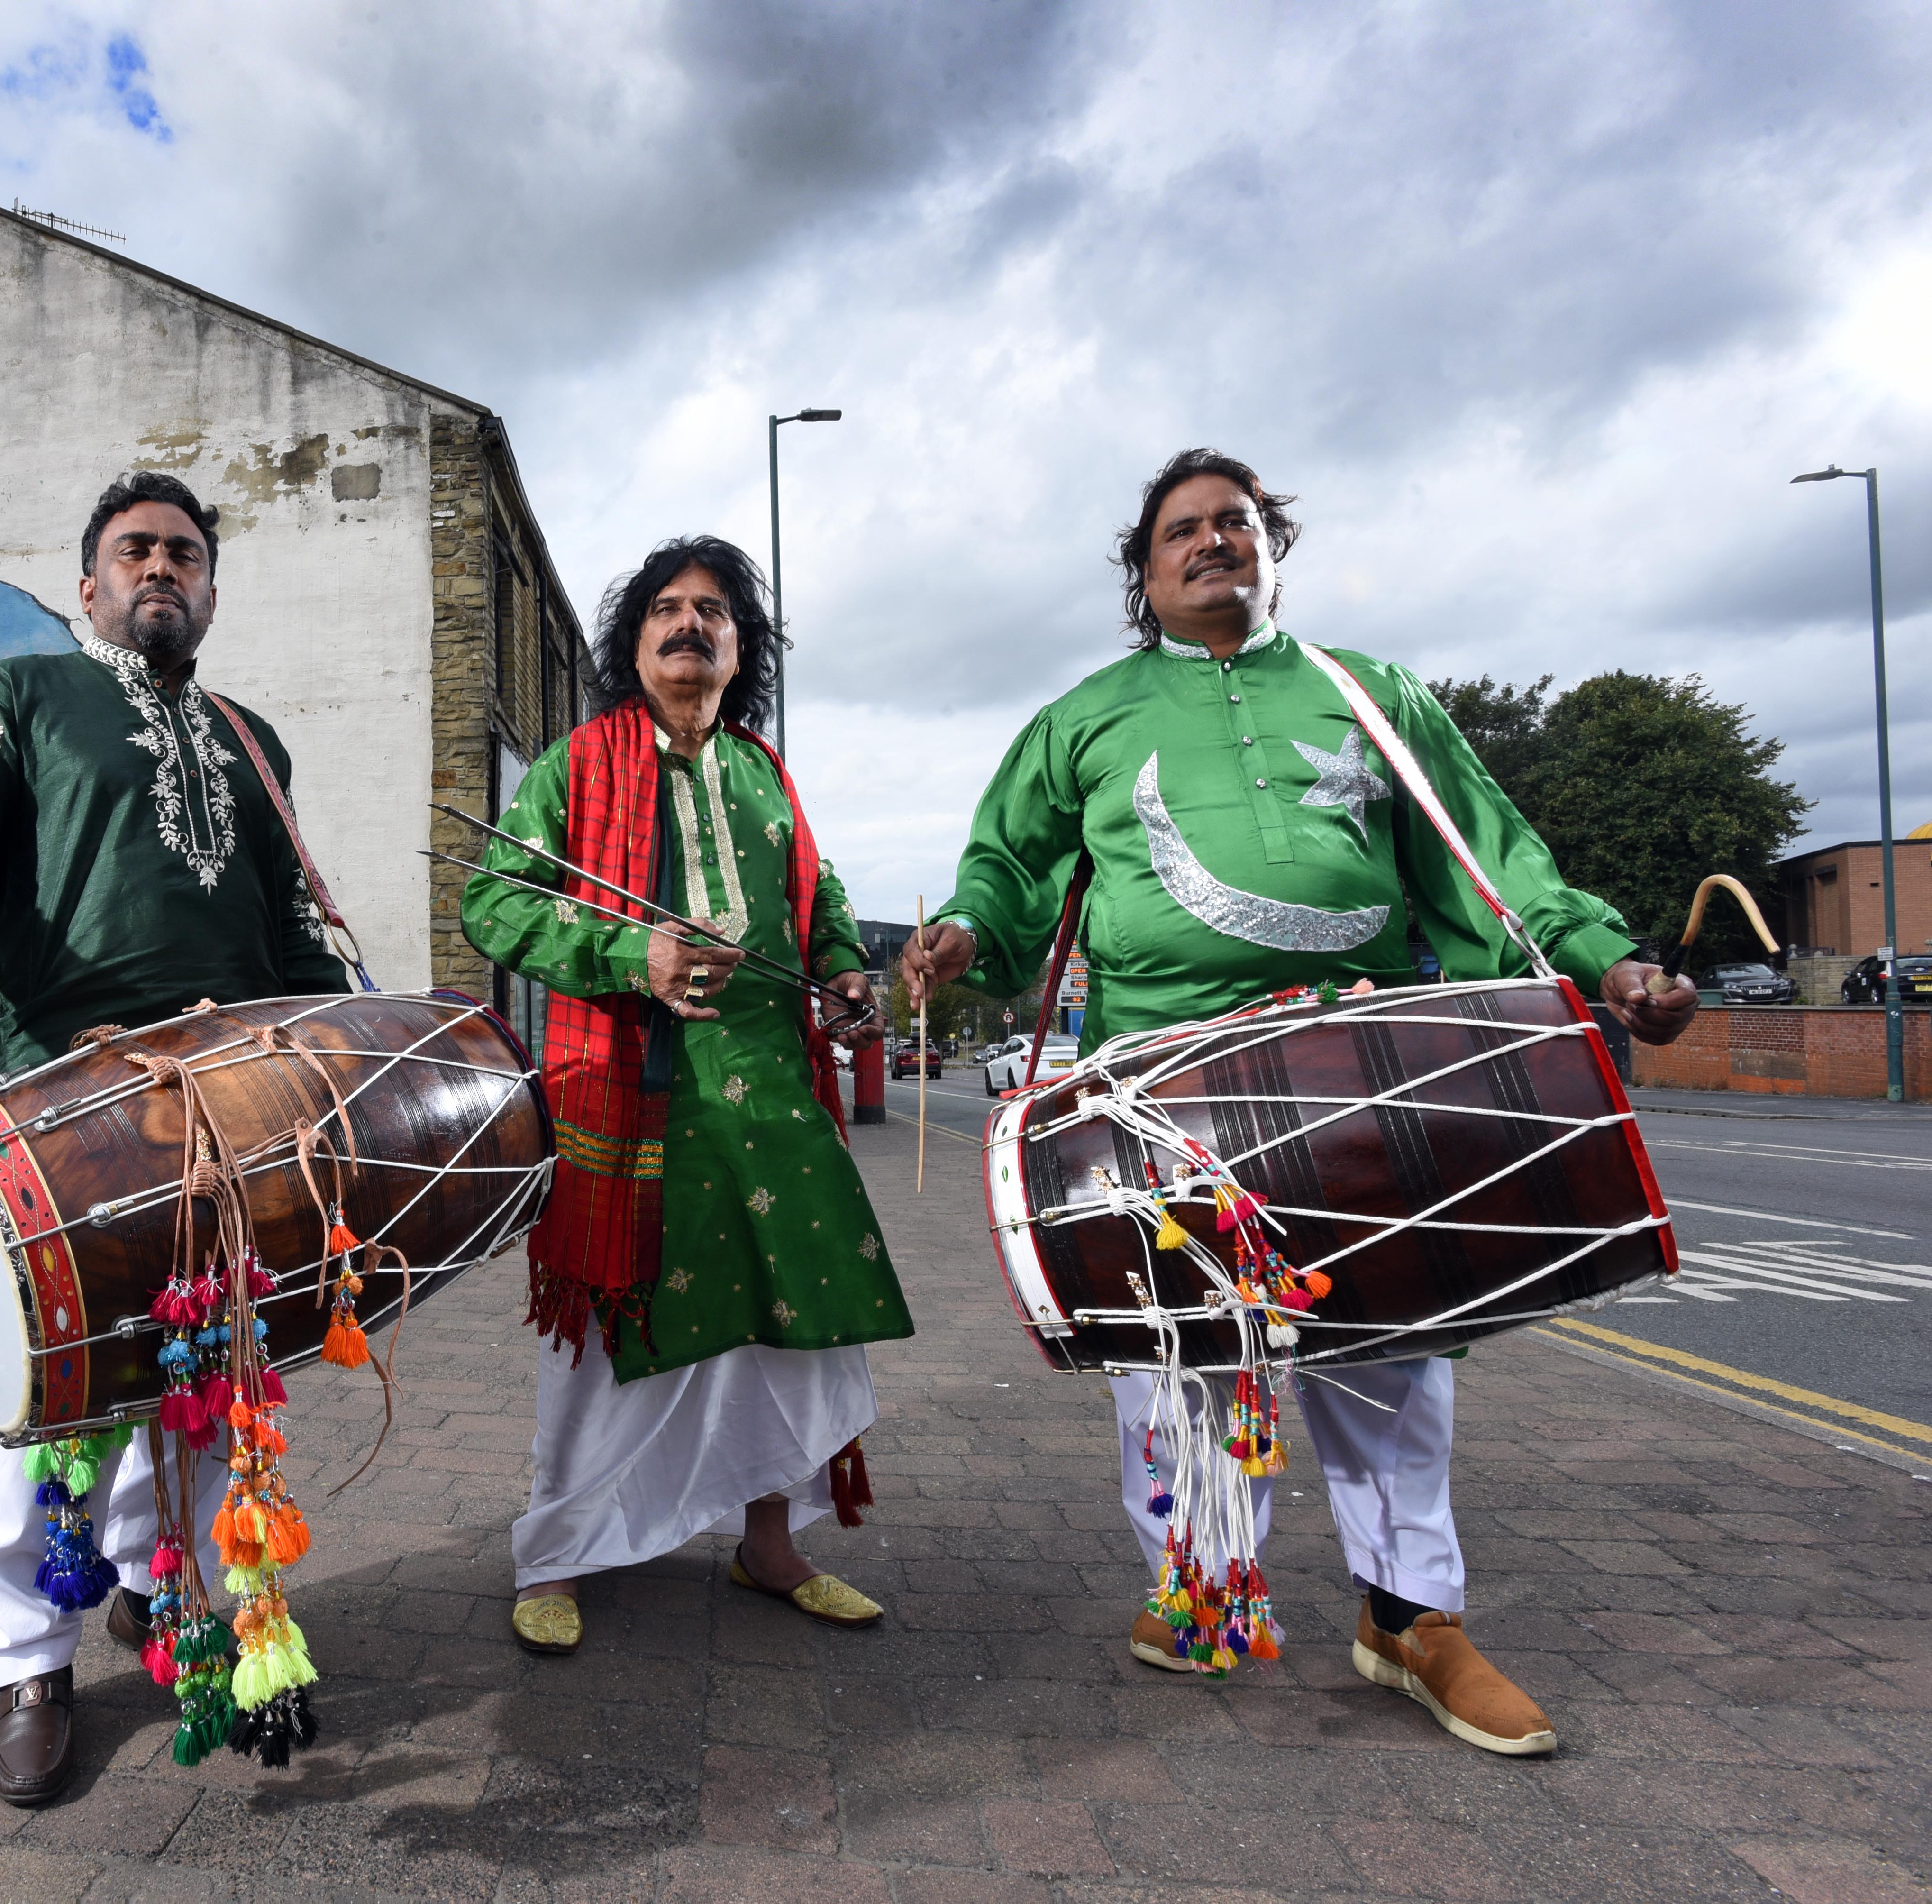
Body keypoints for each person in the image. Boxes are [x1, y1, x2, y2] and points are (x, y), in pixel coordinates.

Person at [900, 449, 1697, 1756]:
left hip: (1357, 1065)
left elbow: (1489, 856)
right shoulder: (1083, 718)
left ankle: (1410, 1617)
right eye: (1181, 531)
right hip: (1164, 1088)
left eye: (1236, 522)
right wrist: (962, 935)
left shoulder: (1371, 692)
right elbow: (1005, 868)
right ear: (1143, 571)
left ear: (1272, 545)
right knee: (1188, 1366)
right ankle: (1205, 1587)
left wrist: (1607, 961)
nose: (1211, 542)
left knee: (1389, 1352)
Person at [0, 471, 347, 1806]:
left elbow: (294, 928)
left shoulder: (254, 741)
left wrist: (337, 1057)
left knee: (206, 1368)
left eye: (184, 553)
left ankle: (169, 1593)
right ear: (89, 585)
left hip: (233, 1101)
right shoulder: (22, 697)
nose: (161, 567)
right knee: (45, 1384)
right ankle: (25, 1664)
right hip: (66, 1098)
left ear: (209, 588)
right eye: (135, 550)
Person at [462, 535, 912, 1653]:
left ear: (740, 648)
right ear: (633, 642)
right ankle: (557, 1553)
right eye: (666, 607)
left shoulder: (766, 774)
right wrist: (633, 953)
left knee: (783, 1335)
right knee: (602, 1347)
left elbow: (818, 897)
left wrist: (844, 971)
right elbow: (494, 903)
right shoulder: (576, 764)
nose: (689, 623)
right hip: (631, 1095)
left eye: (713, 610)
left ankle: (770, 1544)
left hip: (771, 1103)